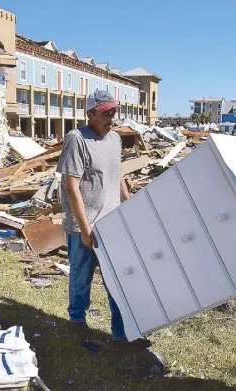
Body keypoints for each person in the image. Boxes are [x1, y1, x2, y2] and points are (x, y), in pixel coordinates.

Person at [57, 90, 150, 349]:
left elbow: (116, 172)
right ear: (90, 114)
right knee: (81, 276)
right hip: (83, 226)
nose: (111, 117)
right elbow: (71, 188)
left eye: (113, 112)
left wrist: (127, 201)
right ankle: (77, 322)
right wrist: (85, 231)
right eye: (105, 112)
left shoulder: (115, 139)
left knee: (118, 280)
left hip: (111, 224)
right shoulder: (77, 140)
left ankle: (122, 334)